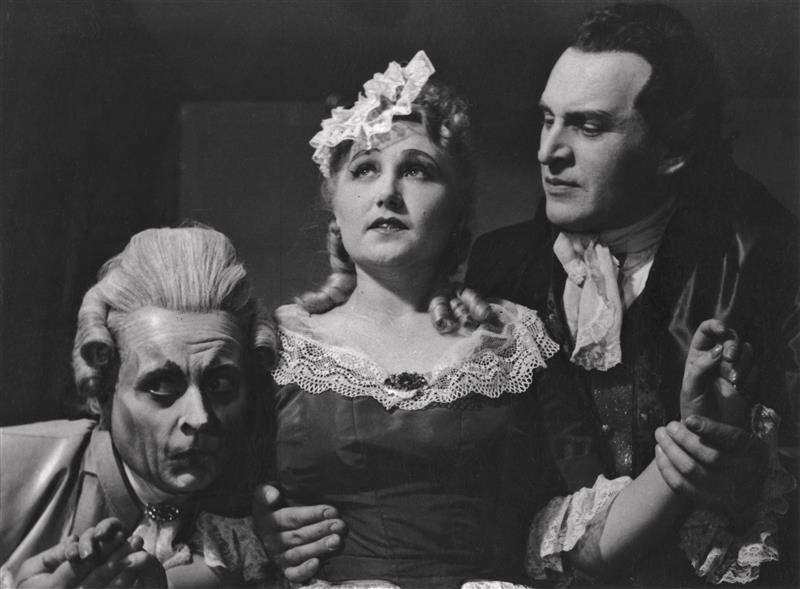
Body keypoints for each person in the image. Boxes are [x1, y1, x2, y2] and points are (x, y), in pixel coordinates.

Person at [251, 50, 768, 588]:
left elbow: (584, 542)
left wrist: (692, 440)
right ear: (334, 207)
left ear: (458, 212)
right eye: (364, 169)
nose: (387, 193)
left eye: (417, 170)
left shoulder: (515, 343)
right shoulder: (277, 347)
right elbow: (206, 483)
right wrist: (255, 525)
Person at [463, 3, 799, 586]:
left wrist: (746, 472)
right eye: (548, 119)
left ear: (672, 151)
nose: (548, 152)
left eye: (589, 127)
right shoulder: (500, 264)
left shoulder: (761, 266)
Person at [0, 226, 275, 588]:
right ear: (104, 389)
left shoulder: (263, 502)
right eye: (160, 386)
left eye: (220, 385)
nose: (199, 418)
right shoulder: (9, 466)